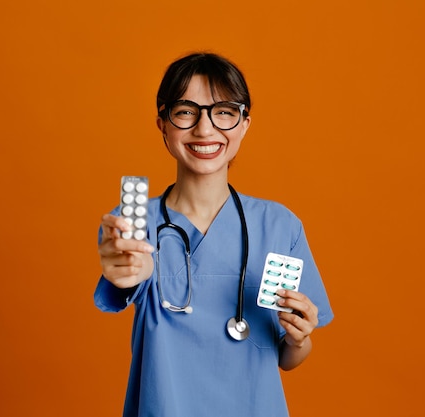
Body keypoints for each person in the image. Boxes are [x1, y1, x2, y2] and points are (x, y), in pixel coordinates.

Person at [95, 52, 333, 417]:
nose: (205, 130)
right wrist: (127, 273)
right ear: (162, 123)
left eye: (223, 111)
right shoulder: (133, 223)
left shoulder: (279, 226)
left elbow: (290, 358)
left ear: (244, 123)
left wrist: (300, 337)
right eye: (186, 111)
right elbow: (124, 273)